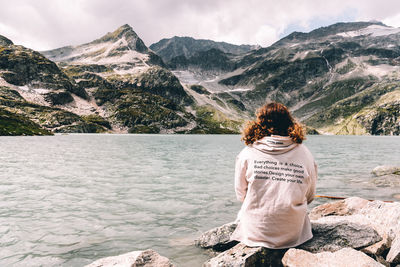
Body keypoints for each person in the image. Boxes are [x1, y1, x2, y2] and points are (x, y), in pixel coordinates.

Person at [230, 102, 318, 249]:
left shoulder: (247, 153)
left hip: (256, 231)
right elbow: (309, 196)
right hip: (293, 233)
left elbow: (241, 194)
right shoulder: (305, 153)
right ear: (289, 122)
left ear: (259, 123)